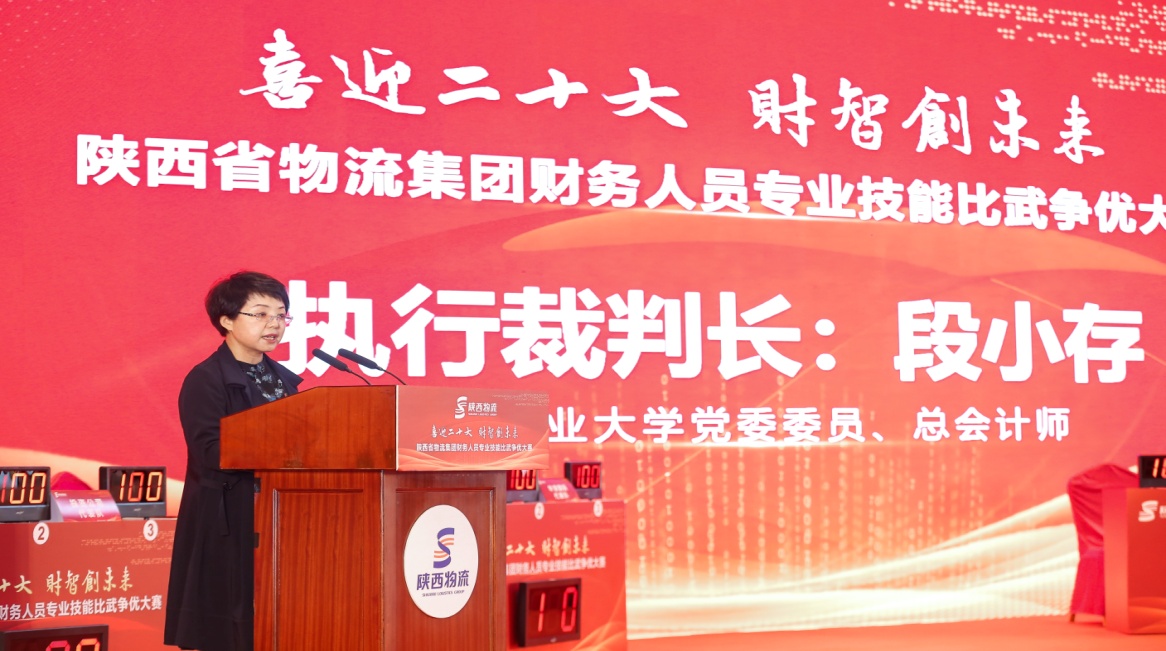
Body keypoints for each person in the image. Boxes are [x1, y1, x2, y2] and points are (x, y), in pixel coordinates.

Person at [165, 272, 302, 651]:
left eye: (281, 315)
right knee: (231, 630)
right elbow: (210, 451)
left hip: (282, 515)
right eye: (260, 314)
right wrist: (280, 449)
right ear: (226, 320)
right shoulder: (206, 379)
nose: (274, 324)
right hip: (229, 517)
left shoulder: (284, 381)